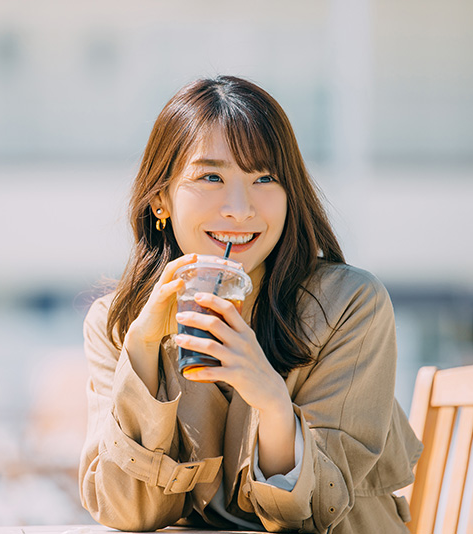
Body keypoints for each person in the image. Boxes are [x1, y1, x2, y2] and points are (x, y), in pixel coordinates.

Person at [78, 76, 422, 533]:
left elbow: (318, 510)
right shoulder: (117, 326)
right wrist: (140, 356)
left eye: (264, 178)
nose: (239, 209)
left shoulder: (348, 305)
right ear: (160, 198)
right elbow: (128, 513)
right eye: (211, 177)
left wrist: (272, 402)